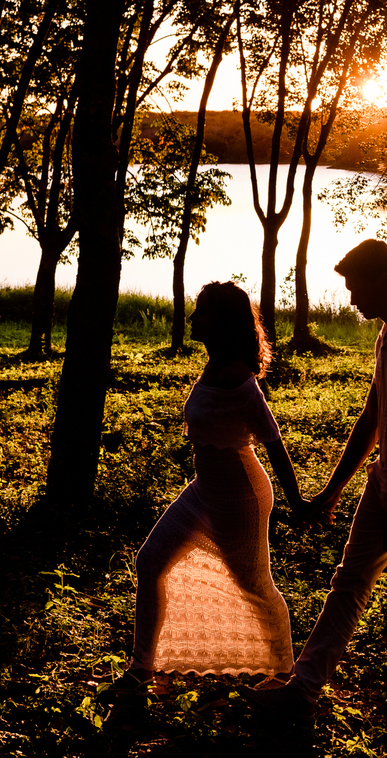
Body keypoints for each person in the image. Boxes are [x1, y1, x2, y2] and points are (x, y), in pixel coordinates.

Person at [240, 239, 387, 725]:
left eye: (356, 288)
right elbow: (372, 417)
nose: (351, 300)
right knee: (347, 583)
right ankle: (303, 690)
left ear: (385, 281)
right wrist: (333, 490)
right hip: (384, 484)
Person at [110, 281, 307, 695]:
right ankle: (140, 671)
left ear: (222, 322)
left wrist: (299, 504)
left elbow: (274, 443)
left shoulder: (241, 381)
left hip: (240, 498)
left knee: (255, 586)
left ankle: (288, 674)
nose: (194, 317)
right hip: (205, 489)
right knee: (149, 563)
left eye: (202, 311)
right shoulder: (214, 364)